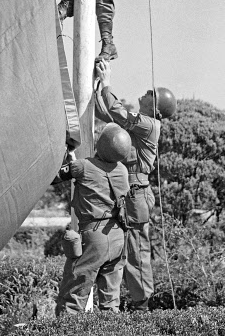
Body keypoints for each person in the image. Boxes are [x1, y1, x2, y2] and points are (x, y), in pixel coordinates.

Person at [94, 59, 177, 311]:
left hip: (134, 194)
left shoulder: (149, 124)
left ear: (156, 107)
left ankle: (142, 309)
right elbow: (105, 112)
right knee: (114, 251)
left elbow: (117, 112)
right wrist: (98, 85)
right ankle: (114, 308)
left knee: (136, 254)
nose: (144, 93)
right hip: (123, 193)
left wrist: (107, 83)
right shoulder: (140, 124)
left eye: (150, 94)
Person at [53, 123, 131, 314]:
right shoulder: (122, 170)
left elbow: (54, 177)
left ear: (101, 144)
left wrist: (66, 155)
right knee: (111, 301)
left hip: (94, 236)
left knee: (73, 296)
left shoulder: (82, 166)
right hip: (117, 237)